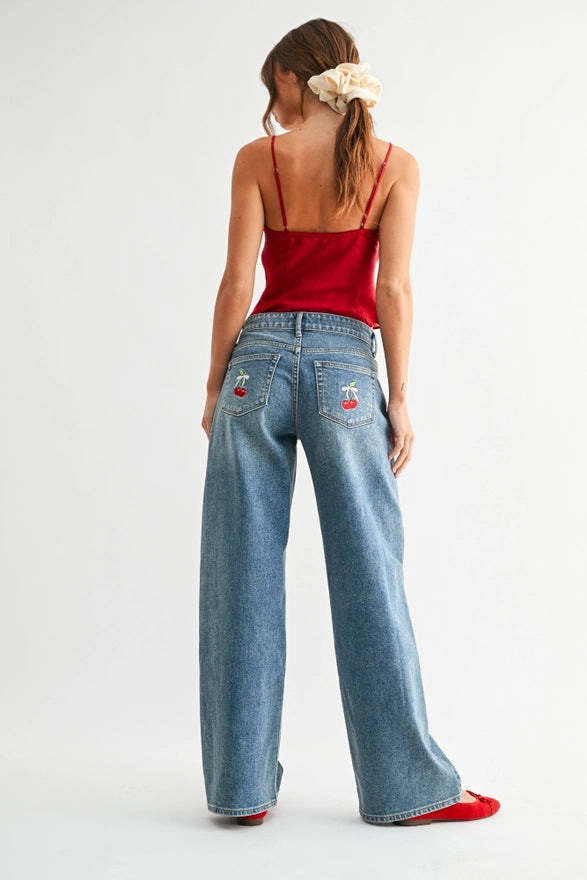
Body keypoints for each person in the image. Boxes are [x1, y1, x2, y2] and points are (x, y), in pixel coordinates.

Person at [199, 18, 500, 827]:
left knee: (239, 577)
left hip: (253, 368)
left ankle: (239, 792)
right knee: (370, 572)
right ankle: (405, 789)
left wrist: (211, 384)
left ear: (299, 78)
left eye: (277, 88)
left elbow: (236, 285)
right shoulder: (392, 164)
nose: (274, 105)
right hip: (343, 371)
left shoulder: (257, 159)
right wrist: (397, 396)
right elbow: (393, 292)